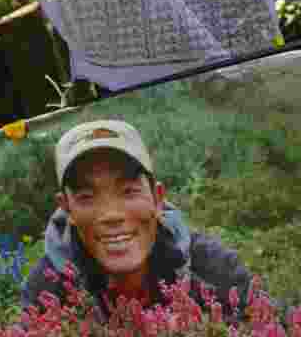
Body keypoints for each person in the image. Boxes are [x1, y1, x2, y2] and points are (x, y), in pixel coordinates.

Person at [21, 119, 264, 324]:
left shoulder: (213, 267)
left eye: (128, 191)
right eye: (86, 197)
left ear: (157, 198)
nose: (111, 215)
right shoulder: (47, 289)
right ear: (67, 210)